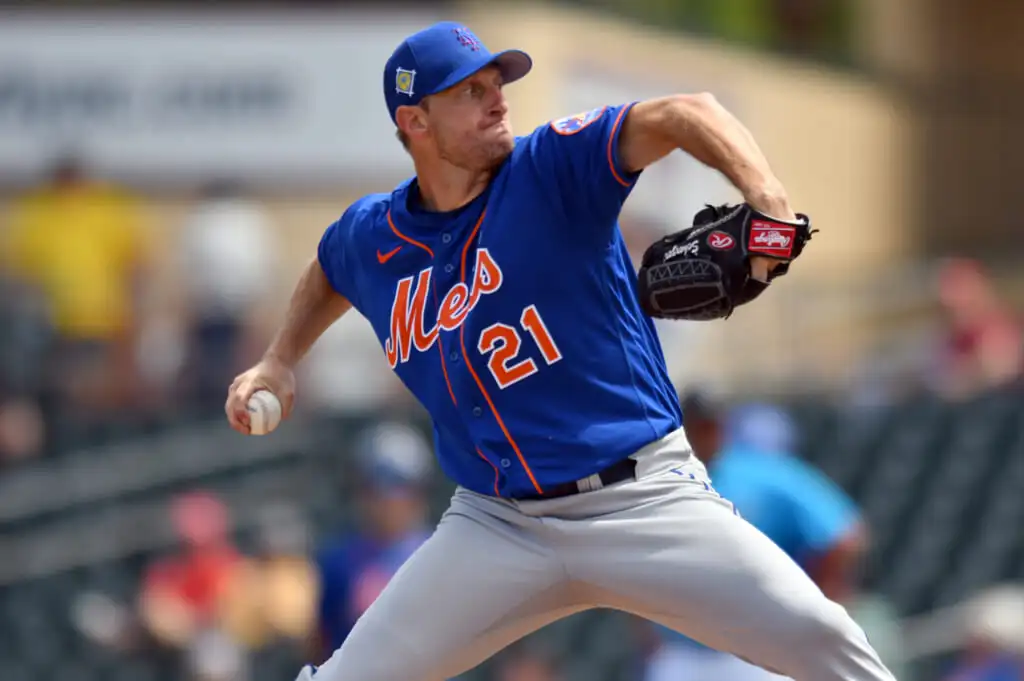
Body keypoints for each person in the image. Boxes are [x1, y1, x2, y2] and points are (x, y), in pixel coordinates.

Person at [224, 21, 897, 681]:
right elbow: (330, 267)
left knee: (827, 643)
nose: (498, 98)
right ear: (415, 120)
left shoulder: (551, 168)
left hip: (642, 500)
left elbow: (687, 111)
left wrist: (767, 198)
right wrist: (280, 358)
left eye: (497, 81)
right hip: (497, 523)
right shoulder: (375, 234)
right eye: (470, 90)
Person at [643, 394, 871, 681]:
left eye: (705, 425)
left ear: (717, 427)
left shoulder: (762, 473)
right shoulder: (658, 480)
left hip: (761, 655)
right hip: (683, 655)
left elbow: (845, 534)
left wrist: (816, 605)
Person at [311, 421, 434, 660]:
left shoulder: (441, 556)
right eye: (374, 489)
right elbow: (322, 643)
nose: (386, 502)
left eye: (399, 488)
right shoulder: (338, 562)